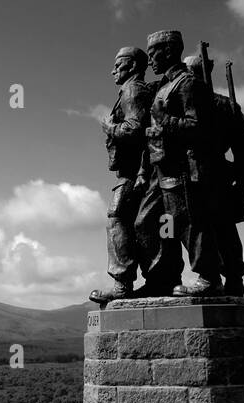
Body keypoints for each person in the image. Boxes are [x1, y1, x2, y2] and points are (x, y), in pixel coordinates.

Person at [133, 29, 222, 297]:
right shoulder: (162, 86)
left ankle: (209, 278)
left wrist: (166, 121)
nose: (150, 61)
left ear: (170, 51)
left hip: (179, 168)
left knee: (187, 222)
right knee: (149, 223)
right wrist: (142, 169)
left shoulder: (188, 84)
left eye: (153, 54)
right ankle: (162, 277)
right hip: (158, 169)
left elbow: (200, 128)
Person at [184, 54, 244, 297]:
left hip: (211, 177)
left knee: (218, 229)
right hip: (197, 176)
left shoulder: (221, 106)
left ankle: (225, 277)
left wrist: (243, 182)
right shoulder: (216, 104)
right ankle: (221, 277)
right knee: (207, 229)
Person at [89, 46, 154, 305]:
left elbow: (134, 129)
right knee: (145, 225)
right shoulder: (134, 89)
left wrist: (109, 127)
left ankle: (122, 284)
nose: (113, 70)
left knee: (117, 217)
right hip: (140, 171)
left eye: (119, 65)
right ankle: (150, 279)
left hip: (136, 172)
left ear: (133, 67)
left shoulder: (132, 90)